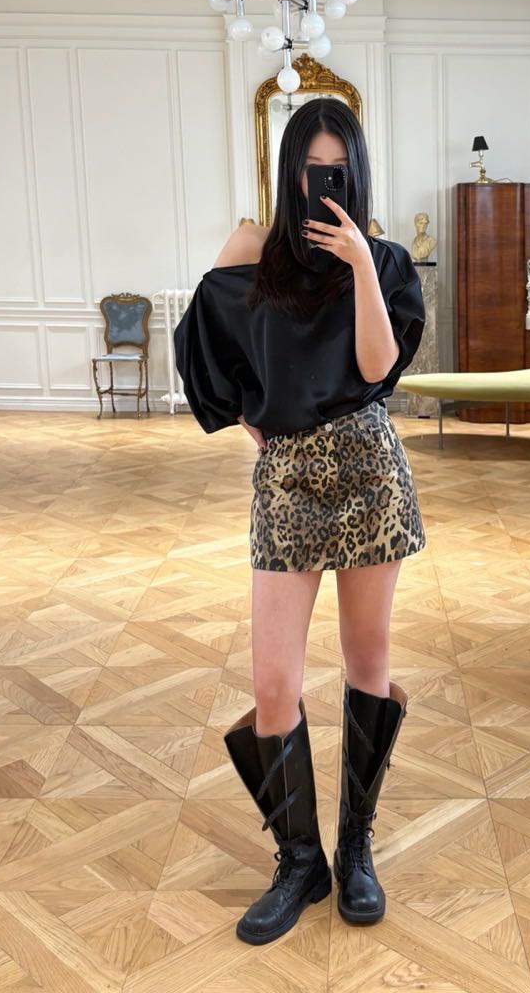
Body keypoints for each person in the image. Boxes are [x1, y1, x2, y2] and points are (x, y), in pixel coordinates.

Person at [173, 97, 426, 945]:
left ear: (357, 172)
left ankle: (354, 848)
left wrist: (359, 264)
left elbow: (377, 369)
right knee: (272, 682)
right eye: (313, 170)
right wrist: (253, 417)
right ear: (290, 172)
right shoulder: (253, 249)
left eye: (339, 171)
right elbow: (203, 339)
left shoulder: (383, 260)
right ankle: (298, 860)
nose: (326, 183)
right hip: (286, 482)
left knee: (367, 661)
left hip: (368, 473)